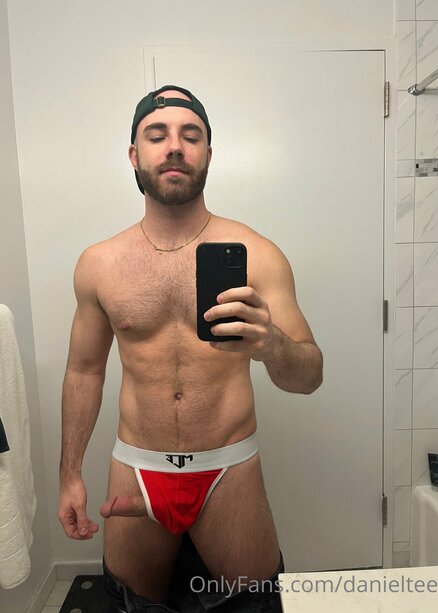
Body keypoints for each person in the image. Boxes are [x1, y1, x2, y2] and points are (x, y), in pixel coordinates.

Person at [58, 85, 323, 612]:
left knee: (252, 605)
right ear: (134, 154)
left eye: (191, 135)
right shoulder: (99, 263)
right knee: (133, 604)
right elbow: (84, 372)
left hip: (230, 468)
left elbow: (309, 376)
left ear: (208, 153)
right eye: (157, 135)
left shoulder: (259, 254)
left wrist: (271, 344)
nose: (175, 146)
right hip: (137, 467)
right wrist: (69, 474)